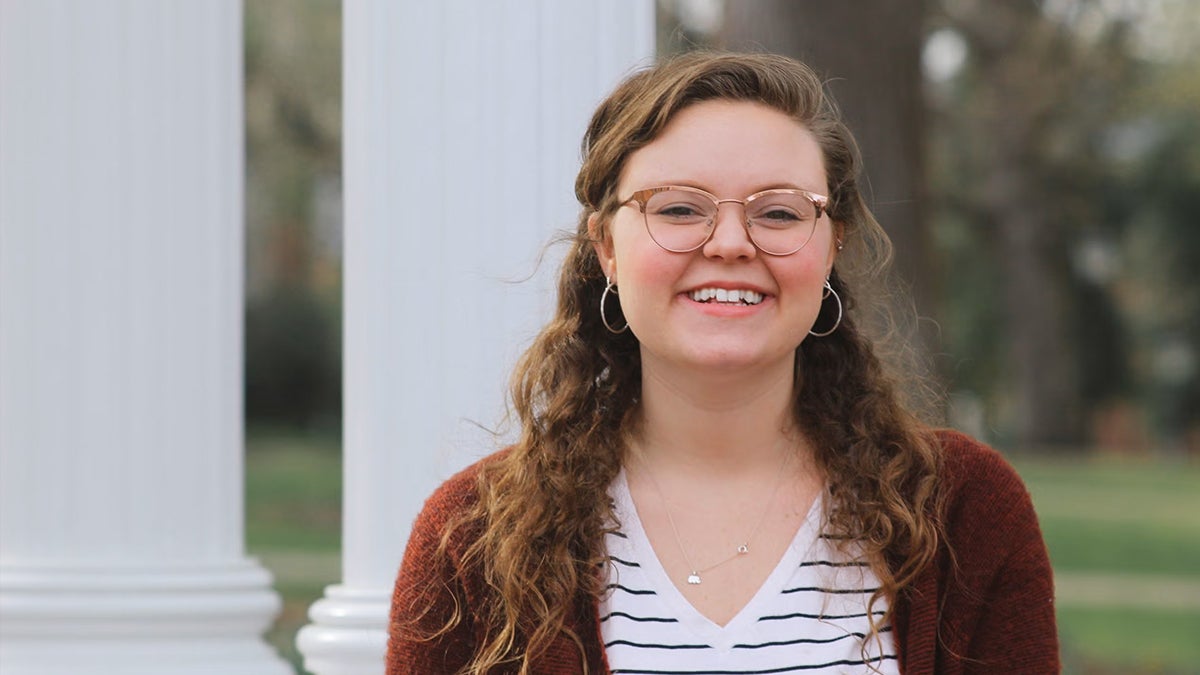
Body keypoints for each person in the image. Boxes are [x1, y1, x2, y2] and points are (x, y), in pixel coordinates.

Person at [387, 51, 1059, 675]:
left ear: (831, 246)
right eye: (679, 208)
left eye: (778, 211)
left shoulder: (964, 514)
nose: (732, 242)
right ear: (607, 249)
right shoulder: (472, 540)